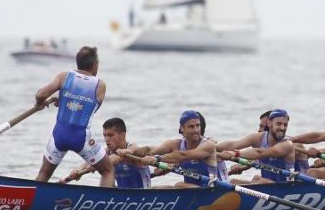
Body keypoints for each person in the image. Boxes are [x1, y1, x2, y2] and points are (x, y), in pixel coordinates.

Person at [33, 45, 115, 187]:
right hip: (81, 139)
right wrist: (66, 101)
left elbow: (40, 95)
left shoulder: (64, 77)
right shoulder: (100, 85)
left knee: (44, 173)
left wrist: (41, 103)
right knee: (108, 170)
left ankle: (27, 200)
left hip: (59, 136)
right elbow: (89, 109)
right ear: (94, 65)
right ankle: (106, 204)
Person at [118, 110, 225, 188]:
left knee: (178, 185)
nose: (196, 130)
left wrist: (157, 159)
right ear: (181, 128)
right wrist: (129, 151)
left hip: (213, 190)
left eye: (198, 126)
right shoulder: (175, 144)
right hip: (192, 190)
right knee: (156, 189)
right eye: (191, 127)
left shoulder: (208, 146)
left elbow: (183, 155)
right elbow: (150, 149)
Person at [60, 117, 152, 189]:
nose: (107, 139)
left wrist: (91, 168)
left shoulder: (134, 150)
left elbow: (111, 160)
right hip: (122, 196)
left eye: (111, 135)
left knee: (104, 167)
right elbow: (91, 160)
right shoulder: (107, 151)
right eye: (105, 135)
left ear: (122, 135)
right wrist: (78, 170)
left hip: (142, 196)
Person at [216, 109, 297, 184]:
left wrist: (235, 154)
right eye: (279, 124)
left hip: (286, 187)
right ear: (269, 123)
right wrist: (212, 147)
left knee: (260, 181)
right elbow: (233, 145)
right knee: (233, 182)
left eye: (285, 125)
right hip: (269, 186)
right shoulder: (259, 138)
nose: (282, 128)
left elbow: (260, 153)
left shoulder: (287, 144)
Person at [227, 110, 272, 176]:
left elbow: (261, 154)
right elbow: (259, 159)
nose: (259, 130)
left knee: (257, 179)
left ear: (271, 126)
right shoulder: (265, 146)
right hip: (270, 183)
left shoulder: (284, 146)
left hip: (279, 184)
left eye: (262, 126)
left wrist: (234, 154)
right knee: (233, 181)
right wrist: (243, 167)